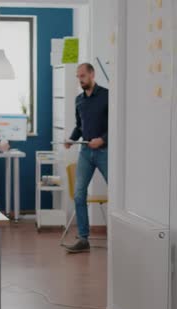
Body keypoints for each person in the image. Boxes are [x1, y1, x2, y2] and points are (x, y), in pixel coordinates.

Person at [63, 63, 109, 253]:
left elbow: (116, 125)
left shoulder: (107, 96)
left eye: (83, 76)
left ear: (92, 74)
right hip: (85, 153)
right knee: (79, 194)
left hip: (105, 152)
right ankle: (83, 239)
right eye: (78, 77)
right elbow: (80, 126)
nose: (80, 79)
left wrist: (102, 140)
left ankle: (119, 235)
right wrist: (72, 139)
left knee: (117, 193)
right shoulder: (79, 100)